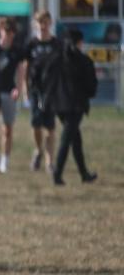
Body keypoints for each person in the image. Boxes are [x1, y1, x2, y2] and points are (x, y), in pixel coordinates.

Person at [35, 29, 98, 186]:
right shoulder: (83, 60)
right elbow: (92, 87)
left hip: (58, 105)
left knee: (75, 139)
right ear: (79, 42)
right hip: (76, 106)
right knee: (67, 139)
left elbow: (41, 75)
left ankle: (84, 174)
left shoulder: (54, 58)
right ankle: (57, 175)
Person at [21, 11, 60, 173]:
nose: (43, 26)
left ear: (50, 23)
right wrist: (25, 89)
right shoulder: (31, 44)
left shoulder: (57, 44)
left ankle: (50, 161)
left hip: (51, 90)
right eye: (40, 23)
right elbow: (26, 67)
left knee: (50, 127)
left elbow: (61, 68)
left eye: (45, 22)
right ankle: (38, 150)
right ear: (35, 25)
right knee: (36, 124)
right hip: (36, 89)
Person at [0, 18, 24, 173]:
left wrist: (18, 89)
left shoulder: (17, 51)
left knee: (7, 128)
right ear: (0, 30)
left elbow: (21, 71)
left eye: (10, 32)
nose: (7, 34)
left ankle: (5, 161)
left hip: (9, 92)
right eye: (5, 30)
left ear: (13, 34)